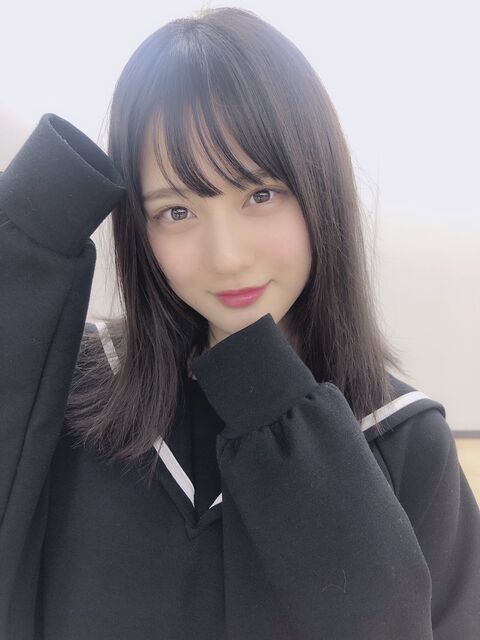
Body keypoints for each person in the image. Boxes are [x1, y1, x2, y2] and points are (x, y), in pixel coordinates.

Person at [0, 7, 479, 640]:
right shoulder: (74, 394)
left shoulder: (404, 442)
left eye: (260, 195)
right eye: (176, 211)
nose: (226, 258)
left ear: (320, 189)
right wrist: (32, 229)